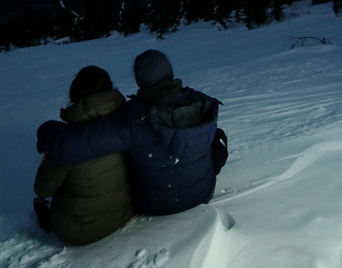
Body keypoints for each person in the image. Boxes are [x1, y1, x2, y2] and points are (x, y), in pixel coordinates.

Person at [37, 50, 227, 216]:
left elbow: (68, 146)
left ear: (140, 80)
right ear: (170, 72)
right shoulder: (202, 102)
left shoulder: (133, 118)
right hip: (203, 194)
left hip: (157, 206)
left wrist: (46, 130)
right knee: (217, 136)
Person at [33, 66, 134, 245]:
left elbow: (42, 189)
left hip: (81, 232)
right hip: (124, 214)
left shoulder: (67, 143)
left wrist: (48, 156)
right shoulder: (128, 122)